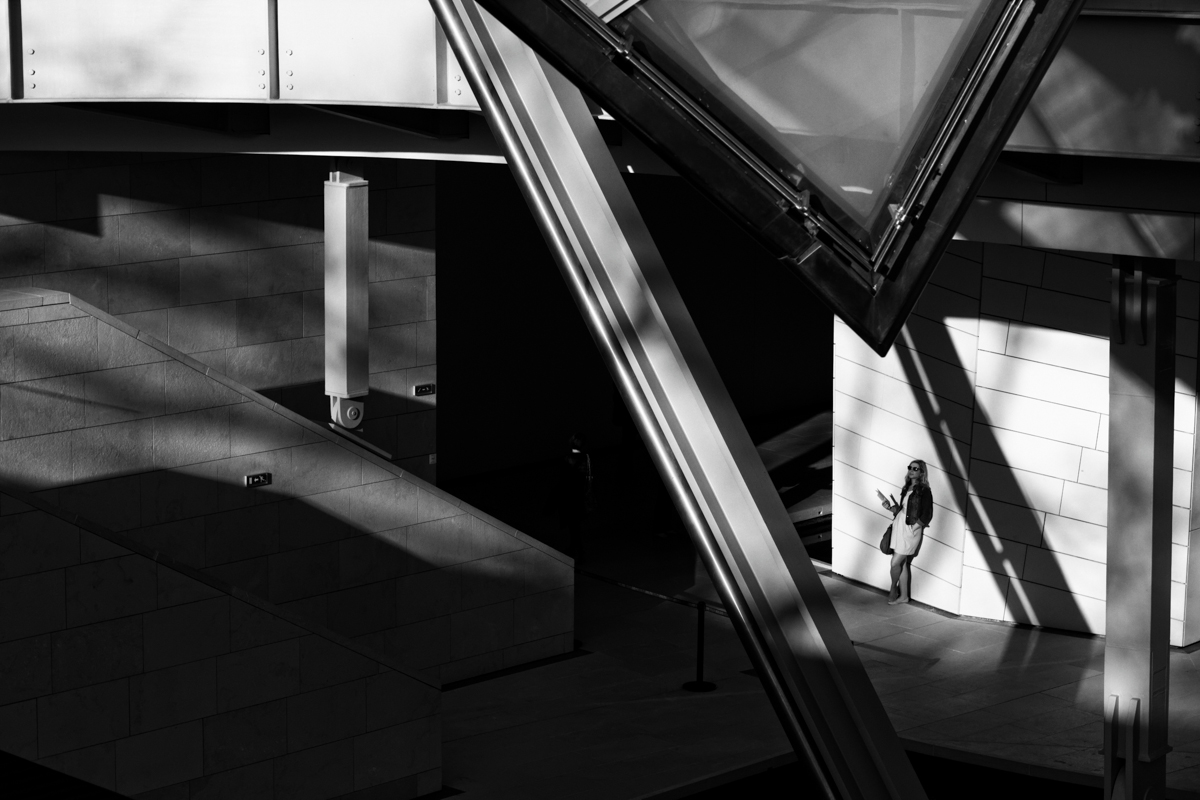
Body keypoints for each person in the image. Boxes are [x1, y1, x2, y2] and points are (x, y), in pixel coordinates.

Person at [876, 459, 932, 605]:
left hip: (910, 530)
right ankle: (904, 597)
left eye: (916, 468)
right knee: (903, 564)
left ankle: (893, 589)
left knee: (895, 562)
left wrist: (915, 527)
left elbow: (927, 514)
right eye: (910, 468)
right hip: (899, 526)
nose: (912, 470)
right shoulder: (906, 487)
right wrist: (889, 507)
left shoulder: (924, 490)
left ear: (922, 472)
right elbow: (903, 511)